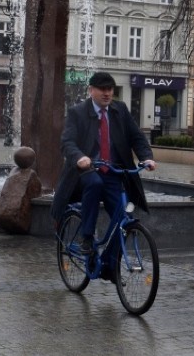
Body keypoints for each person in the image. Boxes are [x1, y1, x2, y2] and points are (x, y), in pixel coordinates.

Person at [51, 72, 157, 266]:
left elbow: (136, 137)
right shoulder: (77, 112)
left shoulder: (120, 110)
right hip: (85, 172)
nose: (107, 93)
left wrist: (147, 158)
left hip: (113, 172)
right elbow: (67, 142)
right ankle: (87, 237)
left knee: (123, 218)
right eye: (102, 89)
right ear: (91, 90)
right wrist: (80, 157)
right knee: (95, 183)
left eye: (110, 89)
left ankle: (109, 265)